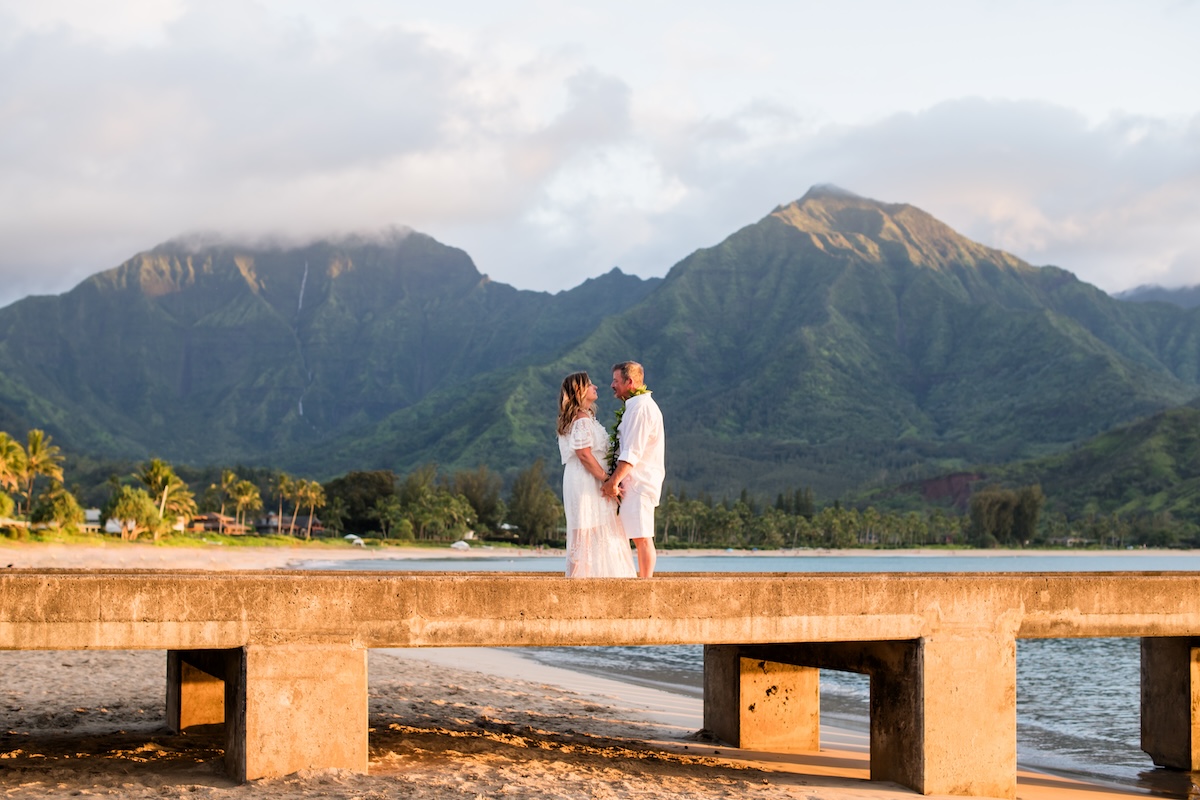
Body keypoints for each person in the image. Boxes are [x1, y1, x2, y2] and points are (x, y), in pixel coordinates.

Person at [556, 372, 637, 578]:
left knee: (593, 530)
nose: (596, 387)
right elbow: (584, 454)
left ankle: (594, 577)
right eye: (590, 385)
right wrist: (607, 480)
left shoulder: (583, 417)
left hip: (585, 477)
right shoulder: (581, 420)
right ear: (579, 390)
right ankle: (581, 582)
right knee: (586, 530)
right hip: (586, 480)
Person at [601, 361, 665, 578]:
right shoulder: (635, 406)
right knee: (634, 535)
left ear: (629, 382)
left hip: (639, 483)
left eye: (616, 381)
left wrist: (612, 482)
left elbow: (633, 452)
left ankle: (646, 584)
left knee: (642, 536)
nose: (612, 385)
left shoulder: (641, 408)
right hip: (632, 482)